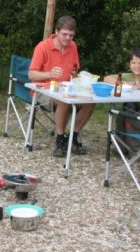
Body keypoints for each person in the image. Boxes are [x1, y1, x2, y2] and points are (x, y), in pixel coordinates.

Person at [28, 16, 95, 157]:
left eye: (71, 35)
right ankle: (60, 139)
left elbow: (75, 71)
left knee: (90, 102)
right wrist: (49, 74)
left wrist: (81, 79)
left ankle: (73, 137)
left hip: (67, 88)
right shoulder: (43, 47)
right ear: (56, 32)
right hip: (44, 90)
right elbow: (31, 75)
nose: (67, 38)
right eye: (64, 34)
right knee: (63, 100)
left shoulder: (73, 46)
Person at [103, 48, 140, 152]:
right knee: (121, 116)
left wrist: (131, 85)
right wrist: (127, 84)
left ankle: (136, 149)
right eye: (134, 63)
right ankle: (121, 147)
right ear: (129, 64)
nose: (137, 66)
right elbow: (106, 78)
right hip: (134, 109)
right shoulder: (128, 76)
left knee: (132, 118)